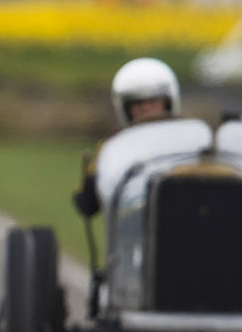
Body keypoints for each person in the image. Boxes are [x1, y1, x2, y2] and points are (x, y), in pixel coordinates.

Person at [73, 57, 181, 217]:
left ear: (168, 102)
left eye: (153, 101)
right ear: (125, 109)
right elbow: (87, 204)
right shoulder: (114, 147)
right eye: (137, 104)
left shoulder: (189, 142)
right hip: (132, 230)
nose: (146, 109)